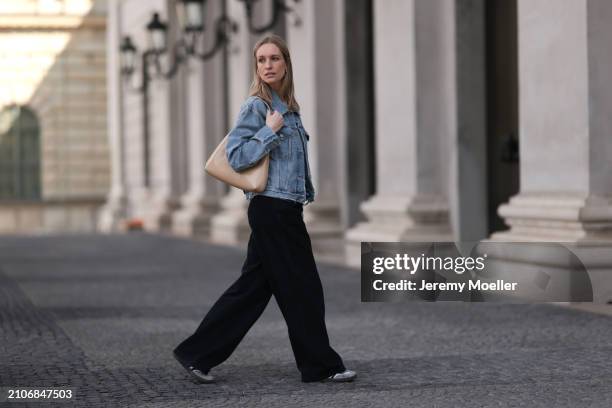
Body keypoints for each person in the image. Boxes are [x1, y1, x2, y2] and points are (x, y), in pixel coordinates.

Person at [173, 34, 356, 384]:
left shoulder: (290, 107)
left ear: (286, 64)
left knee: (253, 289)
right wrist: (268, 132)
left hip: (285, 209)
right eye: (261, 60)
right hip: (272, 208)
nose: (268, 65)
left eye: (274, 59)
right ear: (256, 67)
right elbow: (237, 157)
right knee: (303, 289)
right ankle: (321, 365)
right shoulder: (257, 107)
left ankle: (196, 354)